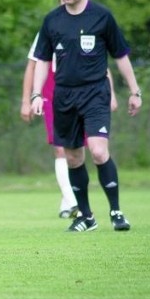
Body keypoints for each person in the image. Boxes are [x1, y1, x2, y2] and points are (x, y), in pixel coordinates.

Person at [30, 0, 142, 232]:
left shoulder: (102, 17)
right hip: (64, 96)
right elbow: (42, 60)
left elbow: (120, 55)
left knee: (99, 151)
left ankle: (116, 212)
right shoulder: (52, 20)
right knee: (73, 158)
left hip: (95, 92)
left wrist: (134, 91)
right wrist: (35, 94)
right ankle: (87, 217)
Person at [21, 32, 118, 219]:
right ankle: (73, 202)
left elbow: (100, 63)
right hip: (54, 94)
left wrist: (111, 93)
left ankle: (68, 201)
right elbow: (32, 66)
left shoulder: (90, 26)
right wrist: (27, 100)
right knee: (60, 149)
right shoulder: (49, 29)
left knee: (84, 150)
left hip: (87, 94)